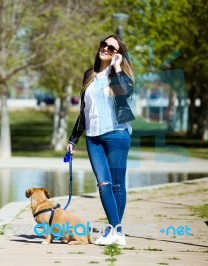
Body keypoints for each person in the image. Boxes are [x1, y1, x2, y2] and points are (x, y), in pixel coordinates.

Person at [66, 35, 135, 246]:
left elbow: (125, 93)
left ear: (118, 52)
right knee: (103, 183)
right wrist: (73, 139)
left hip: (117, 134)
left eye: (111, 47)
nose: (105, 48)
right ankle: (116, 231)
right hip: (93, 138)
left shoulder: (121, 76)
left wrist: (117, 67)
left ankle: (115, 231)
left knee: (116, 185)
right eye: (103, 44)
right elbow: (84, 111)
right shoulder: (90, 75)